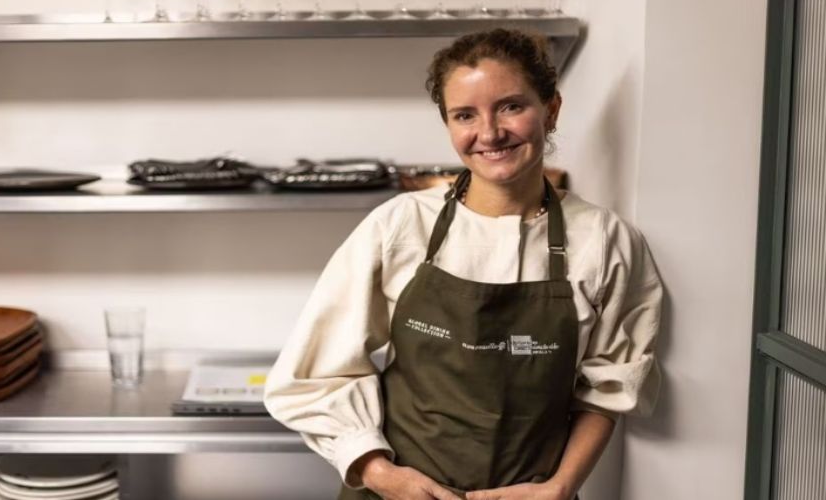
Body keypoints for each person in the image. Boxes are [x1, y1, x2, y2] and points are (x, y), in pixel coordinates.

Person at [264, 29, 662, 500]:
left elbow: (609, 386)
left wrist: (560, 488)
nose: (490, 133)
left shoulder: (605, 239)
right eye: (465, 115)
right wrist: (380, 475)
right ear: (448, 125)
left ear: (551, 110)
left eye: (511, 106)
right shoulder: (400, 224)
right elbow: (314, 372)